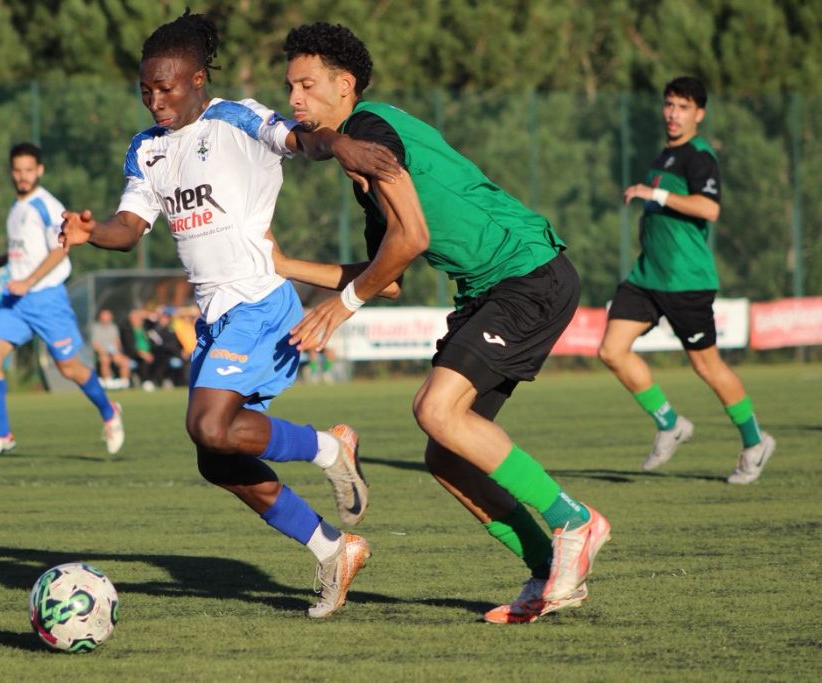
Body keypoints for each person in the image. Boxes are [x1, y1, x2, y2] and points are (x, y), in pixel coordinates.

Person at [59, 10, 401, 618]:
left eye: (166, 88)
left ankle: (328, 448)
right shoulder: (147, 149)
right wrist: (91, 233)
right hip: (215, 317)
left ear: (197, 79)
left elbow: (304, 140)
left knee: (210, 426)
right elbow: (129, 228)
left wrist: (341, 142)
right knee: (216, 458)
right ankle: (333, 549)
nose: (155, 101)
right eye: (145, 90)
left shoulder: (237, 119)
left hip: (260, 303)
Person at [274, 22, 610, 624]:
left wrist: (344, 304)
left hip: (526, 272)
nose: (295, 98)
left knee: (435, 409)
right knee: (446, 456)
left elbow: (413, 239)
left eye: (307, 85)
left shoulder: (369, 129)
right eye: (290, 87)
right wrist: (284, 265)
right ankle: (547, 572)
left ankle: (575, 522)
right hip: (490, 291)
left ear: (344, 85)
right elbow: (388, 274)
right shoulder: (363, 164)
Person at [598, 77, 775, 485]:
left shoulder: (699, 157)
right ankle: (670, 423)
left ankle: (755, 442)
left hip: (685, 280)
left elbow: (709, 209)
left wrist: (654, 195)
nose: (673, 114)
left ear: (700, 114)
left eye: (683, 107)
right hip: (647, 276)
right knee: (611, 350)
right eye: (669, 104)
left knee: (707, 367)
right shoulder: (665, 155)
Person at [0, 142, 124, 461]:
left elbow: (60, 249)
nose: (23, 176)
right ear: (11, 172)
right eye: (18, 170)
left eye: (29, 170)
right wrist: (2, 260)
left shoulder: (47, 205)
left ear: (39, 170)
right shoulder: (16, 207)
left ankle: (109, 411)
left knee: (69, 368)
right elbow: (27, 250)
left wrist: (28, 282)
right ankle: (1, 434)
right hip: (16, 301)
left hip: (46, 298)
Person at [91, 308, 132, 388]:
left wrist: (115, 352)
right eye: (105, 316)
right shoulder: (95, 328)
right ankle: (108, 381)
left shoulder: (113, 327)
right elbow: (94, 343)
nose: (106, 318)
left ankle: (124, 382)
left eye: (108, 316)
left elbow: (116, 342)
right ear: (100, 317)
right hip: (100, 353)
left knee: (125, 361)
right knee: (105, 360)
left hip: (113, 352)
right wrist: (102, 352)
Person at [120, 307, 155, 390]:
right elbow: (130, 346)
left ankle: (156, 380)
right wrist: (142, 353)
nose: (138, 320)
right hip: (134, 353)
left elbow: (154, 322)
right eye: (135, 318)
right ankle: (145, 381)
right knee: (144, 360)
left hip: (148, 352)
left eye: (139, 318)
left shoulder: (145, 328)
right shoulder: (127, 329)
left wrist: (145, 314)